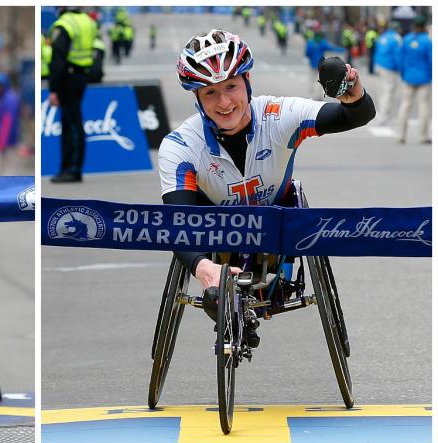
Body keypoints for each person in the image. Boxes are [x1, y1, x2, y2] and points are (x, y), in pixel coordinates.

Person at [161, 29, 375, 347]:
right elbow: (176, 222)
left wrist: (352, 90)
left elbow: (355, 114)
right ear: (196, 98)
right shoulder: (179, 146)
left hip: (276, 218)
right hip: (212, 226)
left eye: (231, 87)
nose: (224, 103)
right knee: (209, 279)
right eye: (209, 93)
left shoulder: (279, 115)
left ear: (247, 81)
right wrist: (204, 269)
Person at [48, 7, 97, 183]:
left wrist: (54, 88)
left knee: (72, 126)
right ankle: (69, 168)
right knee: (71, 124)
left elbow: (57, 59)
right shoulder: (88, 22)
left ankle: (72, 169)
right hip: (81, 76)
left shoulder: (64, 25)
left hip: (67, 78)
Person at [396, 16, 431, 144]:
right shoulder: (427, 41)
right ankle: (423, 136)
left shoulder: (406, 40)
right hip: (424, 77)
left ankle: (401, 135)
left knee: (405, 105)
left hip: (408, 77)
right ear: (424, 27)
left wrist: (403, 74)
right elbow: (431, 60)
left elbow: (400, 59)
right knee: (423, 106)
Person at [0, 72, 22, 169]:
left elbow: (8, 122)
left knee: (8, 171)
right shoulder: (3, 99)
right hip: (3, 141)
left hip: (7, 142)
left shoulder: (9, 99)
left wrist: (1, 142)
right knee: (2, 169)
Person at [373, 21, 402, 124]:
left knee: (381, 91)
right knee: (388, 91)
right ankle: (383, 116)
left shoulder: (382, 37)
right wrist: (400, 68)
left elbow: (376, 52)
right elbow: (397, 55)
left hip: (379, 65)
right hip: (389, 67)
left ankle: (380, 113)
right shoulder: (396, 38)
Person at [305, 28, 345, 99]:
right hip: (320, 64)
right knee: (319, 80)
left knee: (312, 79)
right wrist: (342, 49)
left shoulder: (310, 43)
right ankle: (318, 96)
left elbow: (307, 53)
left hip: (312, 64)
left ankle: (313, 94)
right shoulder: (322, 43)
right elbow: (331, 48)